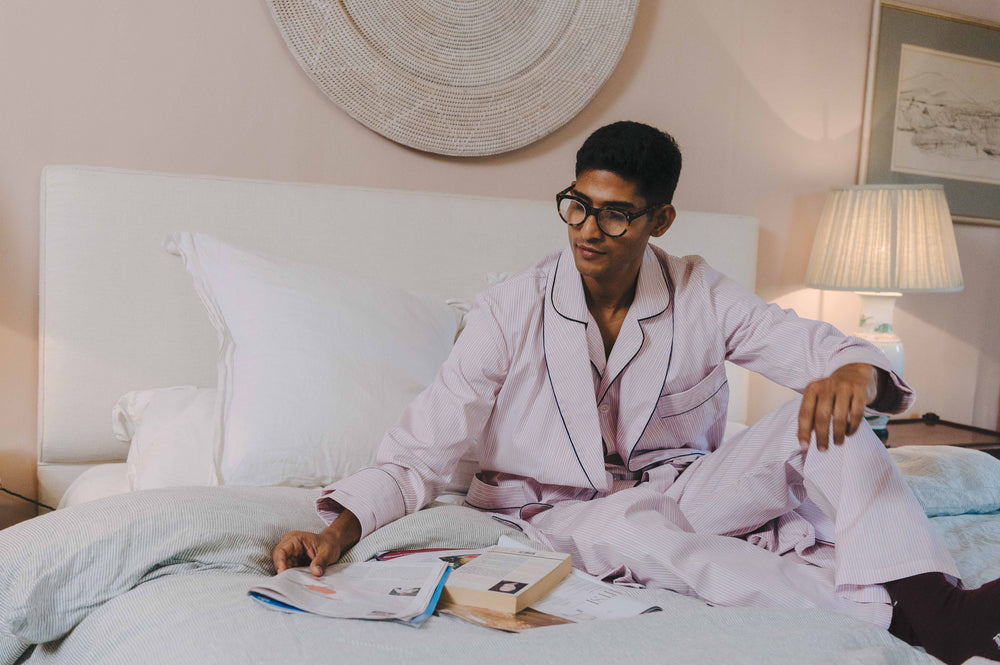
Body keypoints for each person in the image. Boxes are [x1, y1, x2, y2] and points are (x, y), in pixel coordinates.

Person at [274, 121, 1000, 665]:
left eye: (616, 213)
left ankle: (932, 596)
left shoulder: (699, 290)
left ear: (660, 220)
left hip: (688, 492)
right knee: (632, 528)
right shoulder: (510, 309)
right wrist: (337, 531)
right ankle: (897, 618)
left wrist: (853, 374)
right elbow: (420, 452)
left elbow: (822, 348)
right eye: (576, 206)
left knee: (830, 420)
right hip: (561, 518)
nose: (588, 230)